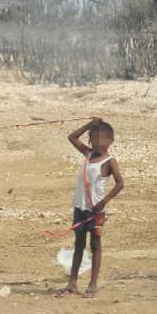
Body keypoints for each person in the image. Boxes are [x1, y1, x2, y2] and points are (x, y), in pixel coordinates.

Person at [57, 117, 124, 298]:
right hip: (80, 208)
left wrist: (104, 202)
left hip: (96, 211)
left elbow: (120, 183)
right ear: (90, 140)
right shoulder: (87, 154)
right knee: (78, 244)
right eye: (94, 138)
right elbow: (72, 137)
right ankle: (72, 283)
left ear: (111, 141)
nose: (98, 142)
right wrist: (89, 124)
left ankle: (93, 285)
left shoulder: (109, 161)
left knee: (95, 246)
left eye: (103, 139)